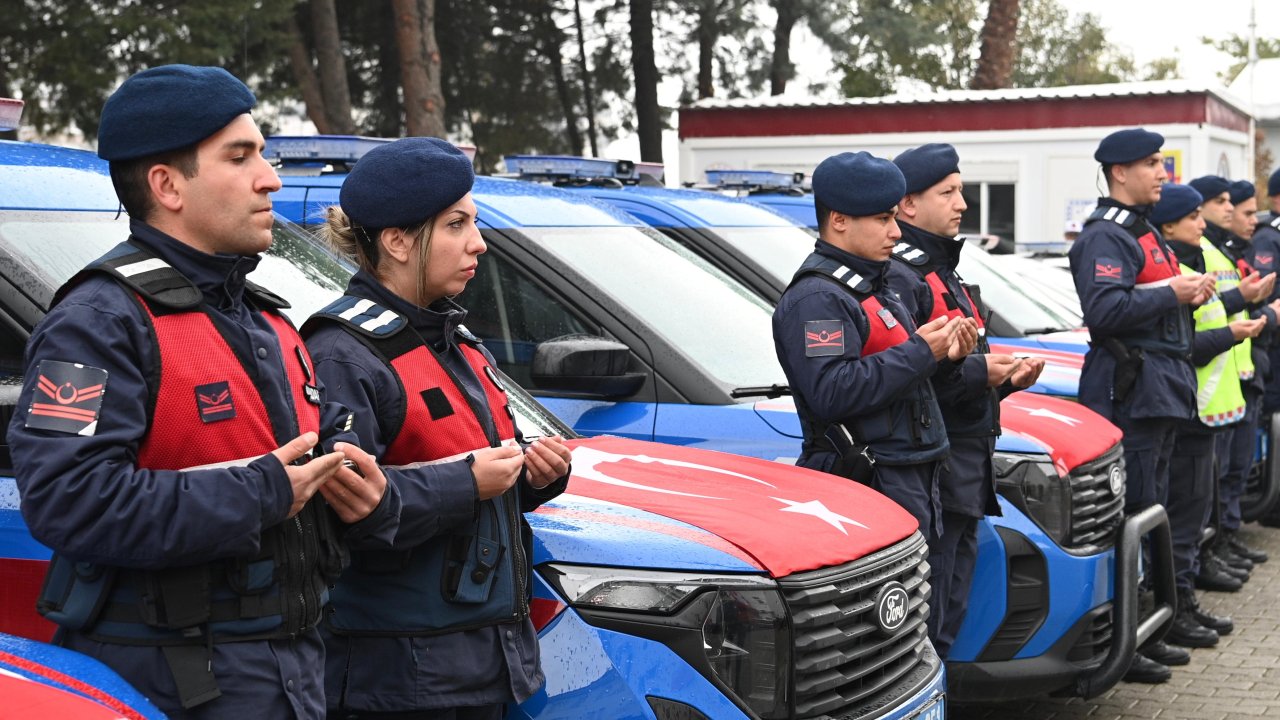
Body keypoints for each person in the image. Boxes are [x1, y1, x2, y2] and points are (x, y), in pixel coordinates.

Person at [6, 65, 396, 718]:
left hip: (287, 667)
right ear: (167, 185)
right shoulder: (95, 324)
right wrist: (265, 490)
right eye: (240, 157)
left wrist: (345, 450)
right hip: (174, 678)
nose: (270, 177)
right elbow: (66, 499)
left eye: (264, 156)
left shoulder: (263, 315)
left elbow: (313, 420)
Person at [302, 137, 571, 719]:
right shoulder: (343, 354)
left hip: (477, 662)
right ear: (398, 241)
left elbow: (477, 470)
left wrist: (535, 475)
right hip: (399, 678)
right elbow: (341, 513)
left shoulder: (453, 341)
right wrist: (467, 482)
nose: (478, 242)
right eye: (456, 224)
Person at [772, 151, 977, 648]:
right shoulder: (819, 298)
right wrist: (920, 352)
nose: (896, 231)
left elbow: (900, 375)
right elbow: (831, 392)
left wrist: (945, 356)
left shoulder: (877, 286)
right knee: (886, 637)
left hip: (912, 474)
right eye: (883, 219)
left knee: (922, 627)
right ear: (839, 220)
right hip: (871, 480)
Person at [885, 143, 1045, 658]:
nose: (962, 203)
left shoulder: (941, 267)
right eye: (948, 192)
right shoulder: (905, 277)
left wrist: (1004, 379)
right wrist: (980, 370)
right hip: (941, 466)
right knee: (927, 621)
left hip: (966, 463)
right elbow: (912, 379)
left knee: (950, 609)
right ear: (907, 205)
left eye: (960, 190)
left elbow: (956, 369)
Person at [1067, 128, 1213, 684]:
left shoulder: (1144, 232)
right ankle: (1124, 644)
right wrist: (1172, 293)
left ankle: (1148, 627)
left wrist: (1187, 293)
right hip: (1133, 390)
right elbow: (1104, 311)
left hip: (1161, 389)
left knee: (1154, 511)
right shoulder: (1107, 236)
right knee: (1132, 516)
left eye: (1161, 162)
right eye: (1152, 163)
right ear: (1119, 172)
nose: (1162, 172)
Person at [1152, 183, 1263, 650]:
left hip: (1203, 412)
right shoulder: (1173, 274)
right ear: (1170, 225)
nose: (1204, 224)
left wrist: (1240, 303)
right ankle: (1174, 610)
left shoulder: (1193, 264)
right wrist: (1235, 333)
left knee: (1194, 513)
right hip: (1189, 410)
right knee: (1181, 517)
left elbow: (1209, 318)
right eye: (1194, 216)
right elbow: (1191, 345)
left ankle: (1183, 603)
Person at [1186, 175, 1275, 586]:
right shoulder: (1198, 253)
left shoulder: (1221, 251)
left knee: (1231, 473)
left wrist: (1248, 299)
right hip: (1209, 382)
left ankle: (1223, 541)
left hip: (1235, 373)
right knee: (1206, 485)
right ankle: (1205, 555)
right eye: (1220, 202)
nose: (1229, 210)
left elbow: (1225, 308)